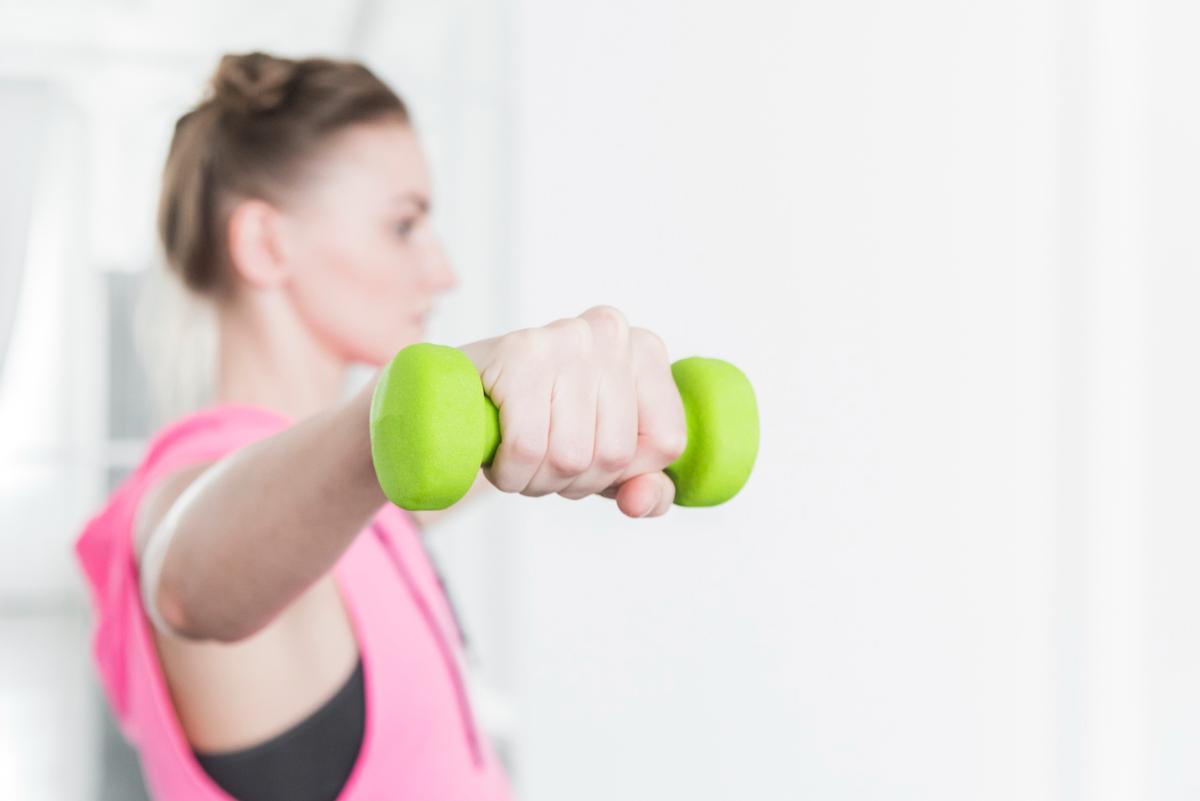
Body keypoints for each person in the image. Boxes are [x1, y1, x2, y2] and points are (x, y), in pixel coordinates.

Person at [73, 51, 687, 801]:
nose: (443, 271)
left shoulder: (356, 500)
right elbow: (187, 584)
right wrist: (425, 396)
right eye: (403, 225)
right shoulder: (203, 486)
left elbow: (426, 477)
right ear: (266, 245)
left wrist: (579, 420)